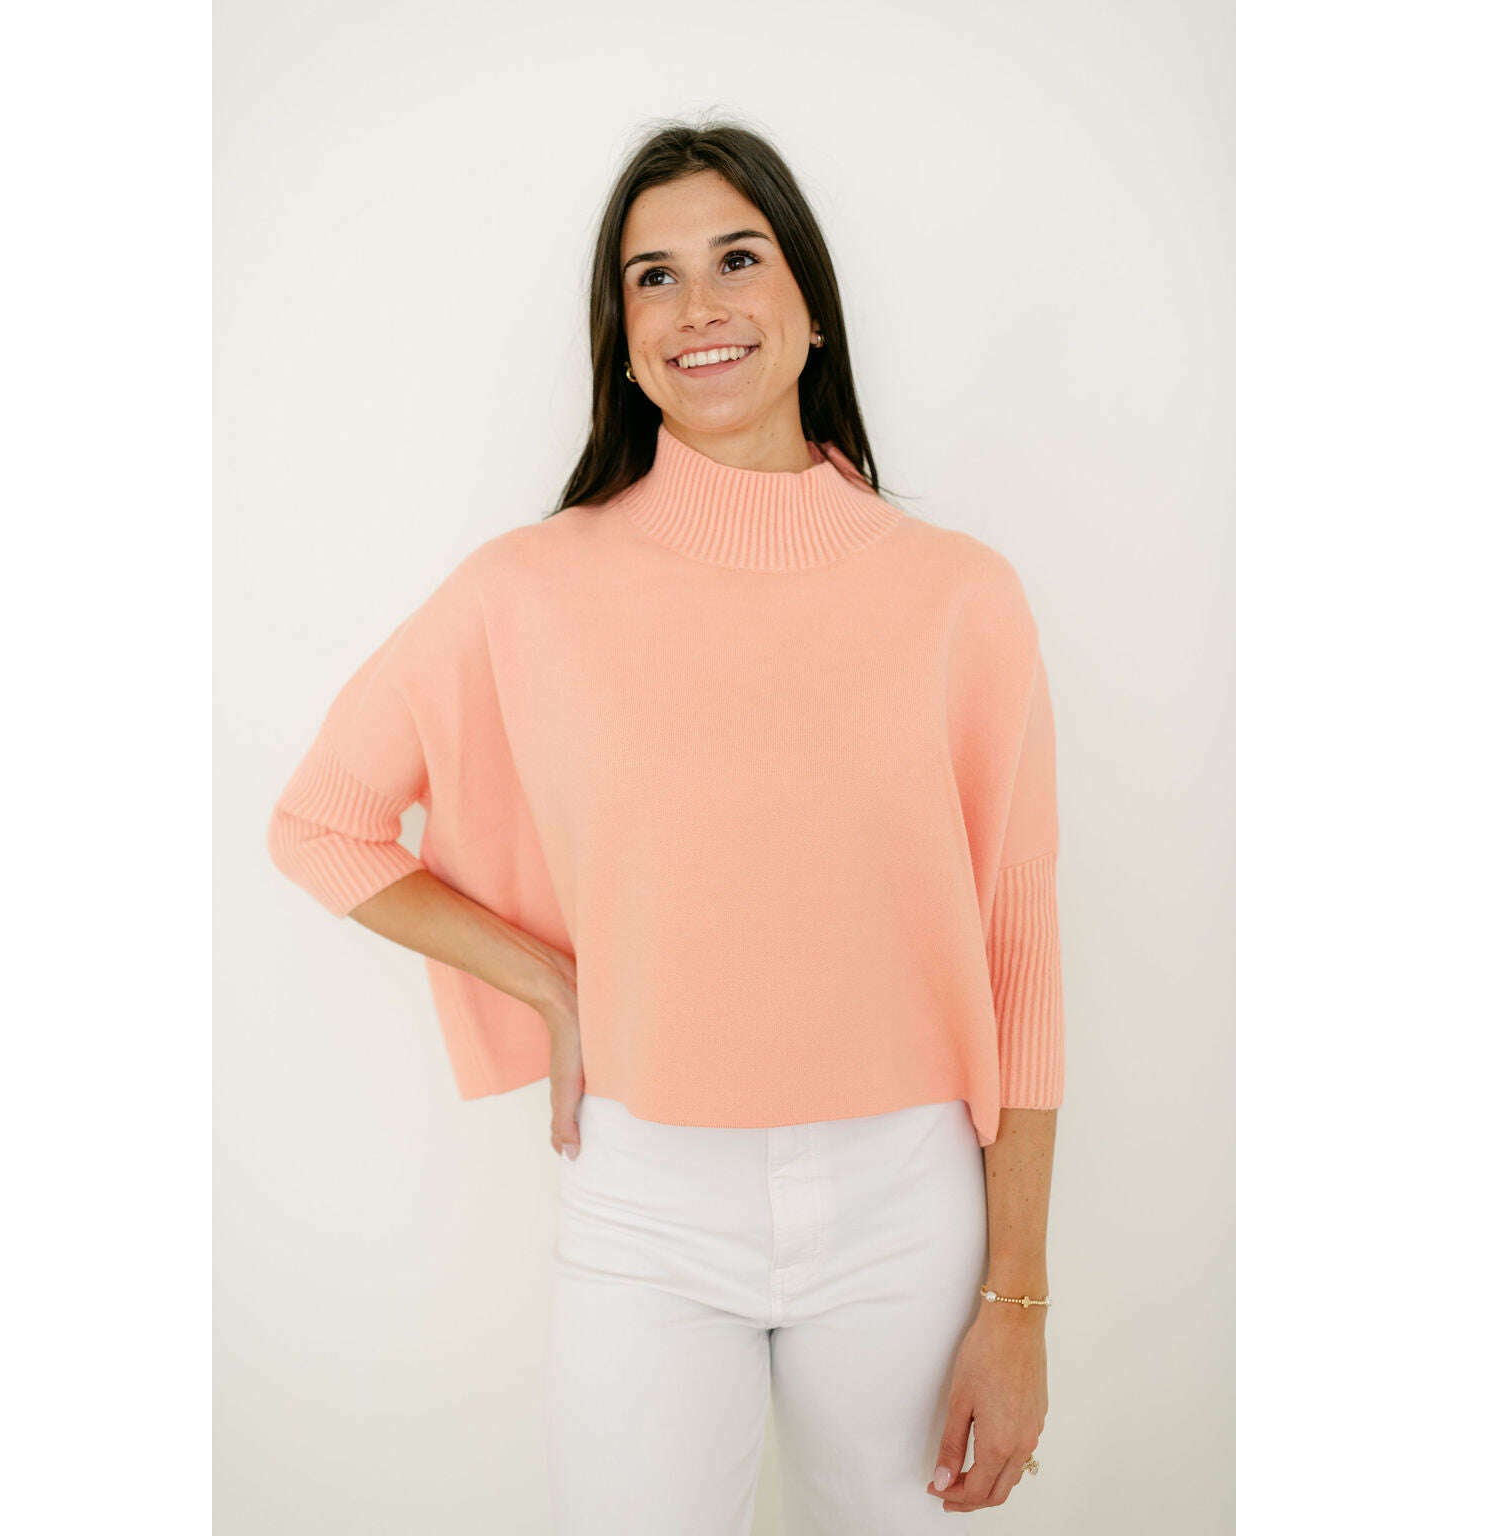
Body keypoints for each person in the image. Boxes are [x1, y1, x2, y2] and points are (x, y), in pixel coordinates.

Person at [267, 119, 1065, 1534]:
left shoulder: (959, 596)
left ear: (810, 306)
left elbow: (1020, 960)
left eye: (737, 260)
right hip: (645, 1201)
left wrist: (1017, 1298)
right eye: (654, 277)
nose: (699, 306)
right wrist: (549, 982)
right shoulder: (529, 589)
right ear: (622, 337)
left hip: (906, 1201)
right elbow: (324, 823)